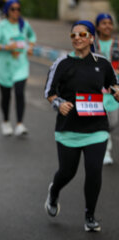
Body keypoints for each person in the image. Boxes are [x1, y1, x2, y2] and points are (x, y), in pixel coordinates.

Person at [44, 20, 119, 232]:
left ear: (91, 38)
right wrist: (59, 104)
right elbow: (49, 92)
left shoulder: (102, 63)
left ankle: (90, 216)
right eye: (73, 35)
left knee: (94, 171)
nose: (77, 38)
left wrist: (116, 92)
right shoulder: (61, 63)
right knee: (67, 172)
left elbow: (112, 85)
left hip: (96, 127)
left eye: (83, 34)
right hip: (69, 128)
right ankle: (54, 192)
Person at [0, 0, 36, 136]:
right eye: (13, 9)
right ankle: (6, 121)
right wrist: (6, 47)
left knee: (20, 93)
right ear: (7, 11)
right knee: (6, 96)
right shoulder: (1, 26)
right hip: (5, 66)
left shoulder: (24, 25)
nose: (16, 12)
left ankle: (20, 124)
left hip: (21, 65)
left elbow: (32, 36)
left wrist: (31, 46)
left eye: (18, 9)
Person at [95, 13, 119, 165]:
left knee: (114, 123)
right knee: (101, 121)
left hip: (115, 92)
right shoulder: (92, 45)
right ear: (97, 26)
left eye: (109, 23)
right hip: (97, 92)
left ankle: (104, 142)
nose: (107, 26)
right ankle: (105, 150)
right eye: (103, 23)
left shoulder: (117, 45)